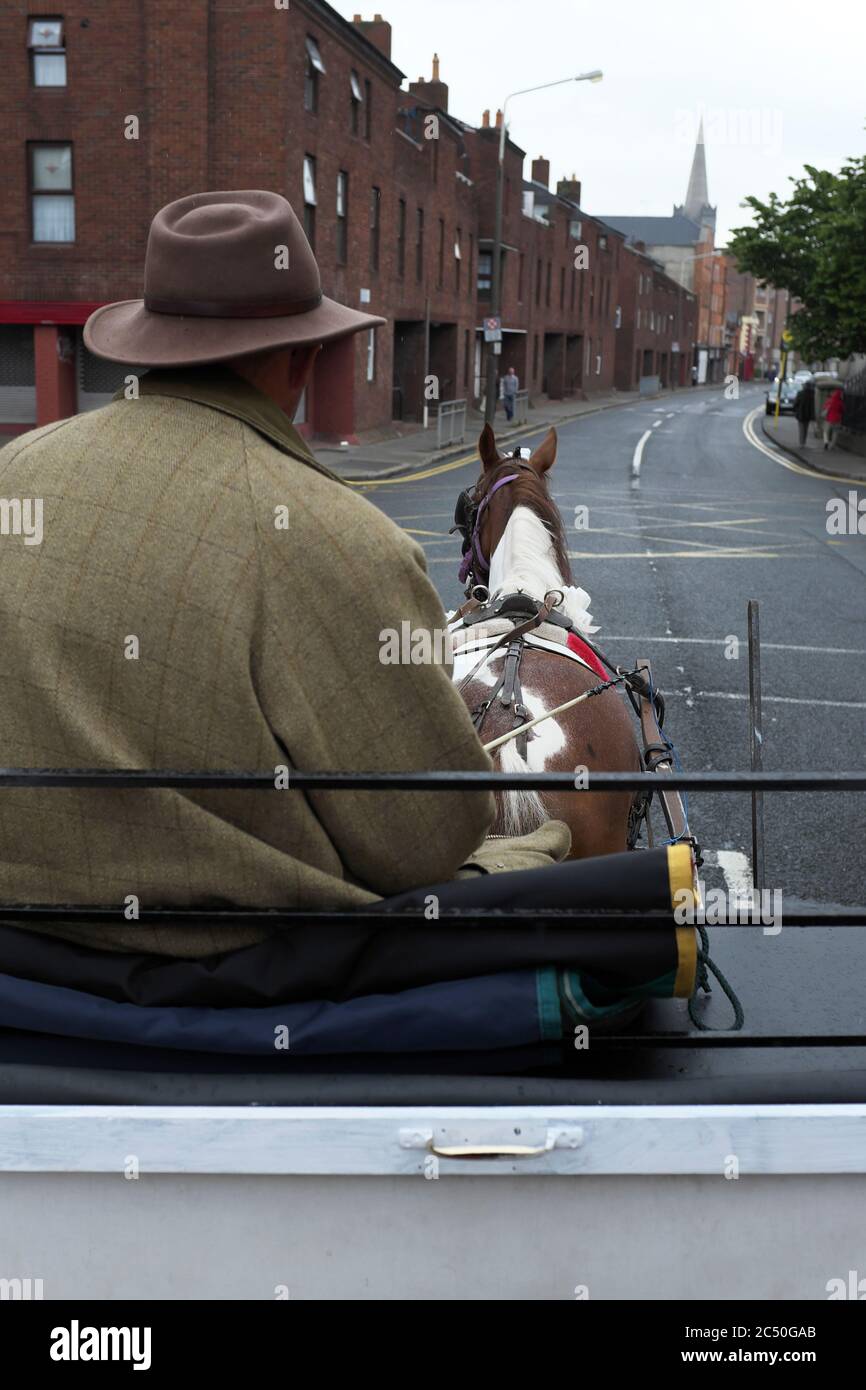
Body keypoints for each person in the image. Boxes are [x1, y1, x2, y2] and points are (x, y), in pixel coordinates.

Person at [0, 191, 568, 958]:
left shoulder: (14, 474)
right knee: (551, 841)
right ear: (304, 357)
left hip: (24, 954)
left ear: (148, 345)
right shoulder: (344, 543)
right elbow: (424, 841)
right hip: (235, 967)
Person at [793, 379, 815, 448]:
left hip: (801, 414)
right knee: (806, 428)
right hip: (808, 414)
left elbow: (796, 403)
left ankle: (801, 443)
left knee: (801, 429)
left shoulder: (800, 393)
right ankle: (804, 442)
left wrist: (795, 410)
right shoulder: (812, 394)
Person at [822, 386, 844, 451]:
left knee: (826, 431)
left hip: (829, 419)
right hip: (837, 419)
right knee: (835, 432)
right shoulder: (840, 402)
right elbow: (842, 410)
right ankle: (832, 445)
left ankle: (826, 442)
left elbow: (824, 407)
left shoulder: (830, 400)